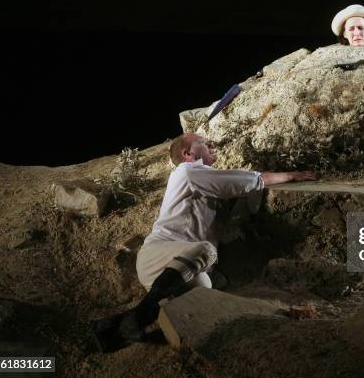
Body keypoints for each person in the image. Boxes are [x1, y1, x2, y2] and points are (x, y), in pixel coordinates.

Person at [92, 133, 318, 351]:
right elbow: (248, 180)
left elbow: (240, 199)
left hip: (175, 269)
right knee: (207, 251)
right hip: (156, 255)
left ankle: (115, 329)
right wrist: (289, 175)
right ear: (188, 153)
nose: (211, 144)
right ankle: (142, 316)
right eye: (202, 142)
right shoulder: (188, 171)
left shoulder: (201, 180)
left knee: (205, 287)